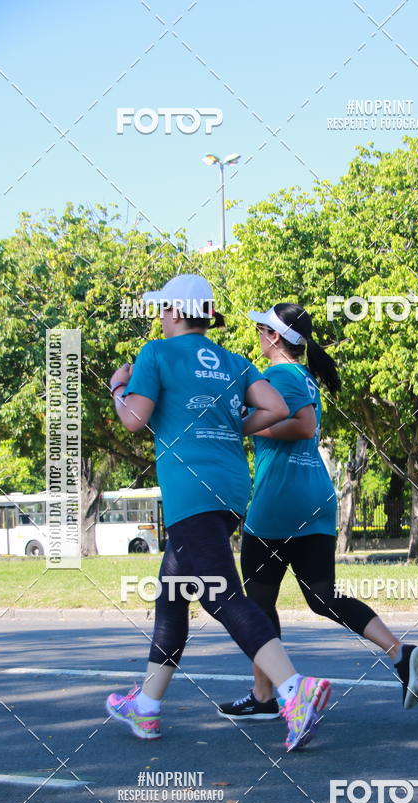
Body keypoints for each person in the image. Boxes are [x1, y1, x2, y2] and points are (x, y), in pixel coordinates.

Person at [105, 276, 331, 750]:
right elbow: (275, 405)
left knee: (218, 595)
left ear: (173, 312)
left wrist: (118, 385)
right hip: (230, 489)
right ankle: (145, 708)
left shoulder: (156, 354)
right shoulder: (233, 361)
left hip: (191, 491)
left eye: (162, 310)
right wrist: (232, 425)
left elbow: (133, 419)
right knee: (173, 596)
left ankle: (295, 690)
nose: (158, 318)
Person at [218, 303, 418, 721]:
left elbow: (305, 426)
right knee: (321, 597)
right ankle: (399, 652)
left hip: (280, 502)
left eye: (262, 330)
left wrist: (246, 423)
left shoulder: (279, 375)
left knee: (257, 603)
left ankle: (268, 696)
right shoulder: (303, 377)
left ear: (275, 337)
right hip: (315, 498)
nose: (258, 336)